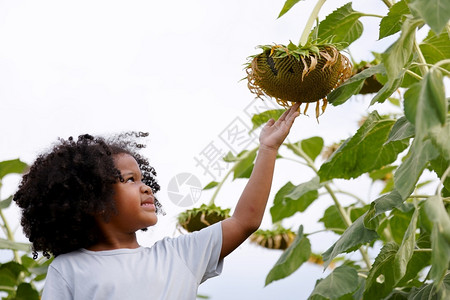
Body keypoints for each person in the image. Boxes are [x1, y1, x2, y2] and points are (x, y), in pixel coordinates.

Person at [13, 103, 300, 299]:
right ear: (92, 200)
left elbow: (244, 220)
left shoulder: (179, 256)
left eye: (143, 179)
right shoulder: (68, 269)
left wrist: (268, 148)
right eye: (129, 180)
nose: (146, 188)